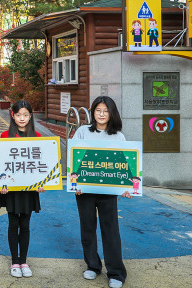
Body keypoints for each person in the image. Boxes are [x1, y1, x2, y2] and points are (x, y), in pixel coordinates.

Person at [73, 96, 132, 288]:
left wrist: (127, 187)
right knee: (87, 228)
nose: (101, 114)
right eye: (98, 110)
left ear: (112, 113)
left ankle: (116, 273)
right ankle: (93, 265)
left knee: (111, 230)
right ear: (93, 112)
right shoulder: (82, 132)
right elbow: (74, 158)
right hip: (84, 191)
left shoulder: (118, 136)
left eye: (106, 111)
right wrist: (75, 184)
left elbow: (125, 165)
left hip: (108, 191)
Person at [0, 100, 44, 278]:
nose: (22, 118)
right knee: (13, 224)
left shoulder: (38, 137)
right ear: (13, 115)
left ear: (30, 116)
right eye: (18, 115)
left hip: (29, 190)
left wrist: (42, 183)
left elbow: (41, 165)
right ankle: (14, 262)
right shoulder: (5, 136)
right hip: (11, 189)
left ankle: (23, 261)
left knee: (25, 225)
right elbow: (0, 164)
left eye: (25, 115)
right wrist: (0, 184)